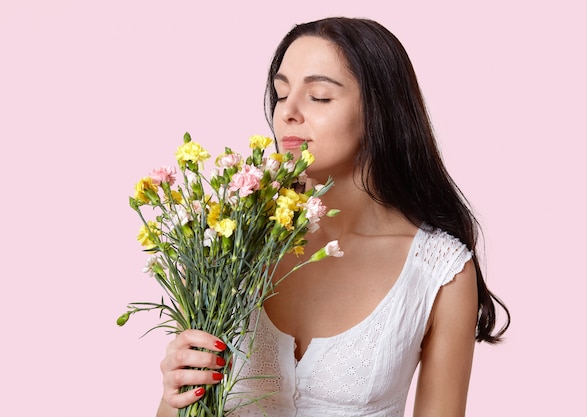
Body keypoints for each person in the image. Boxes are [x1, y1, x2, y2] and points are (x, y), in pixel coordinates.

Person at [157, 17, 510, 417]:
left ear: (381, 112)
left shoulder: (439, 272)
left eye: (319, 96)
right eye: (281, 93)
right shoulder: (227, 246)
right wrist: (179, 392)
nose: (287, 112)